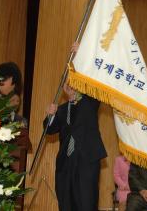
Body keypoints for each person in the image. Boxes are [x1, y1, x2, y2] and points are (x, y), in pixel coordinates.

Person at [44, 83, 107, 211]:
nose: (70, 85)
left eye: (74, 82)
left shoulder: (90, 102)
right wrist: (50, 115)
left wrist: (78, 93)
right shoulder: (61, 109)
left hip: (87, 160)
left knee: (86, 203)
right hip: (65, 162)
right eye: (68, 83)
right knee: (66, 203)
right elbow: (49, 129)